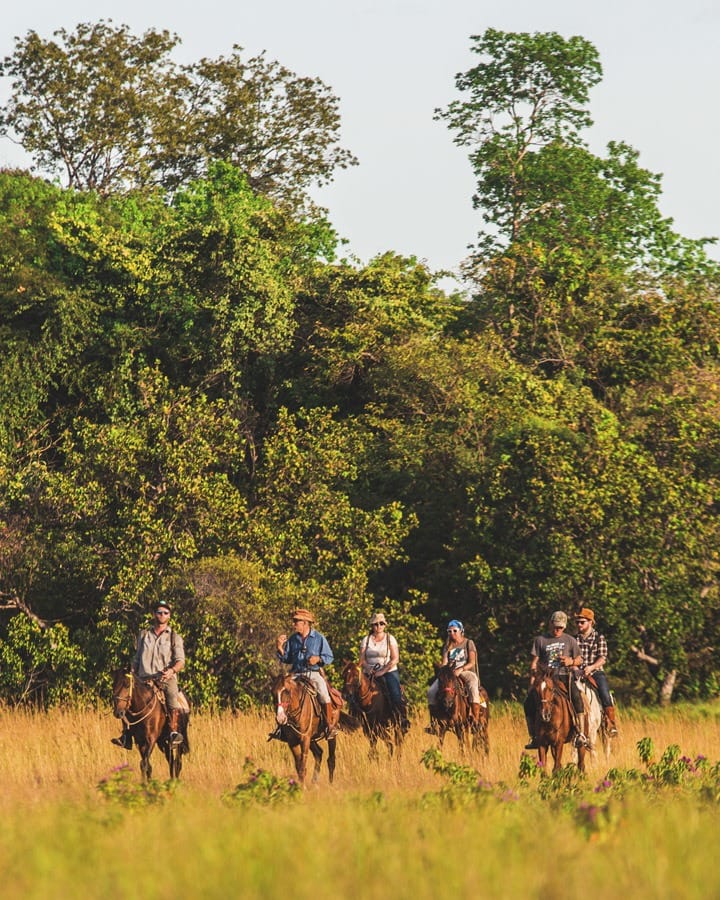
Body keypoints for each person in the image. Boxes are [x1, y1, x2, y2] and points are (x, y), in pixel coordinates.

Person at [112, 599, 186, 749]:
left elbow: (180, 661)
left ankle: (172, 732)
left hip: (164, 678)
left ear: (169, 616)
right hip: (143, 678)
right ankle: (126, 735)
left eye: (165, 613)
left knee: (172, 697)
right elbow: (138, 657)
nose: (162, 615)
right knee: (125, 697)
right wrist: (132, 669)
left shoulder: (174, 637)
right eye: (159, 612)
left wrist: (171, 671)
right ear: (154, 614)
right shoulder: (144, 635)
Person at [524, 610, 589, 750]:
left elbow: (579, 659)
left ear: (564, 627)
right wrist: (532, 682)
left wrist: (570, 661)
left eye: (560, 627)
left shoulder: (570, 640)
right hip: (546, 678)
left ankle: (581, 733)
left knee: (577, 697)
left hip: (564, 676)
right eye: (555, 626)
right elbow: (534, 662)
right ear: (550, 624)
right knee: (529, 701)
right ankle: (533, 736)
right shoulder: (540, 640)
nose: (557, 630)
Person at [276, 608, 339, 738]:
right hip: (296, 674)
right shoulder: (293, 639)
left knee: (323, 693)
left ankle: (329, 726)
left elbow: (329, 657)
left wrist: (318, 659)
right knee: (280, 691)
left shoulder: (319, 638)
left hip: (313, 673)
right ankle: (281, 728)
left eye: (296, 621)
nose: (293, 624)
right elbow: (287, 659)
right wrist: (280, 648)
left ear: (305, 623)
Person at [359, 611, 410, 732]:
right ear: (372, 626)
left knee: (395, 693)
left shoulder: (390, 638)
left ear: (385, 625)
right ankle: (356, 718)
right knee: (355, 692)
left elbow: (395, 658)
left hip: (388, 670)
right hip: (369, 671)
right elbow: (361, 659)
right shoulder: (366, 640)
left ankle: (401, 719)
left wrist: (382, 671)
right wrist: (369, 669)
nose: (379, 626)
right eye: (376, 624)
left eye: (381, 623)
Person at [427, 619, 484, 725]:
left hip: (465, 671)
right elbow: (445, 663)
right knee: (431, 692)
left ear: (461, 631)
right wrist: (443, 669)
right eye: (449, 631)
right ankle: (434, 721)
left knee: (472, 684)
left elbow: (472, 662)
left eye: (454, 630)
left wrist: (461, 669)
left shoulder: (468, 643)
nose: (452, 633)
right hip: (449, 674)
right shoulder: (447, 646)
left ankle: (475, 717)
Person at [574, 607, 619, 736]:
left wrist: (591, 667)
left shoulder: (599, 637)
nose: (579, 625)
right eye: (577, 622)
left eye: (582, 622)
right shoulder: (573, 639)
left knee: (604, 693)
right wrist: (576, 669)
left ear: (590, 622)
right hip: (577, 673)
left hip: (595, 672)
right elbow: (572, 658)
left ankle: (611, 723)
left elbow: (603, 658)